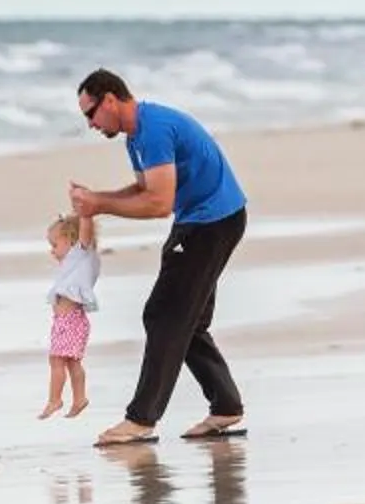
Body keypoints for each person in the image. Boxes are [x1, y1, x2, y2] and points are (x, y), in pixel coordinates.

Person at [68, 68, 249, 445]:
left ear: (111, 100)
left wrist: (99, 203)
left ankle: (141, 419)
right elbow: (143, 187)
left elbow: (157, 204)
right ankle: (226, 406)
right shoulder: (136, 136)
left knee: (164, 315)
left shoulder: (152, 131)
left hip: (211, 222)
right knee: (189, 320)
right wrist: (97, 201)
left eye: (91, 113)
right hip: (208, 219)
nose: (90, 124)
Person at [39, 212, 100, 418]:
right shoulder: (72, 263)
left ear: (71, 240)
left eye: (54, 245)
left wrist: (85, 213)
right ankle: (79, 398)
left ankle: (55, 400)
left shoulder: (82, 253)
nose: (52, 251)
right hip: (65, 321)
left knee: (57, 360)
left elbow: (86, 233)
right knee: (71, 362)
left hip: (71, 321)